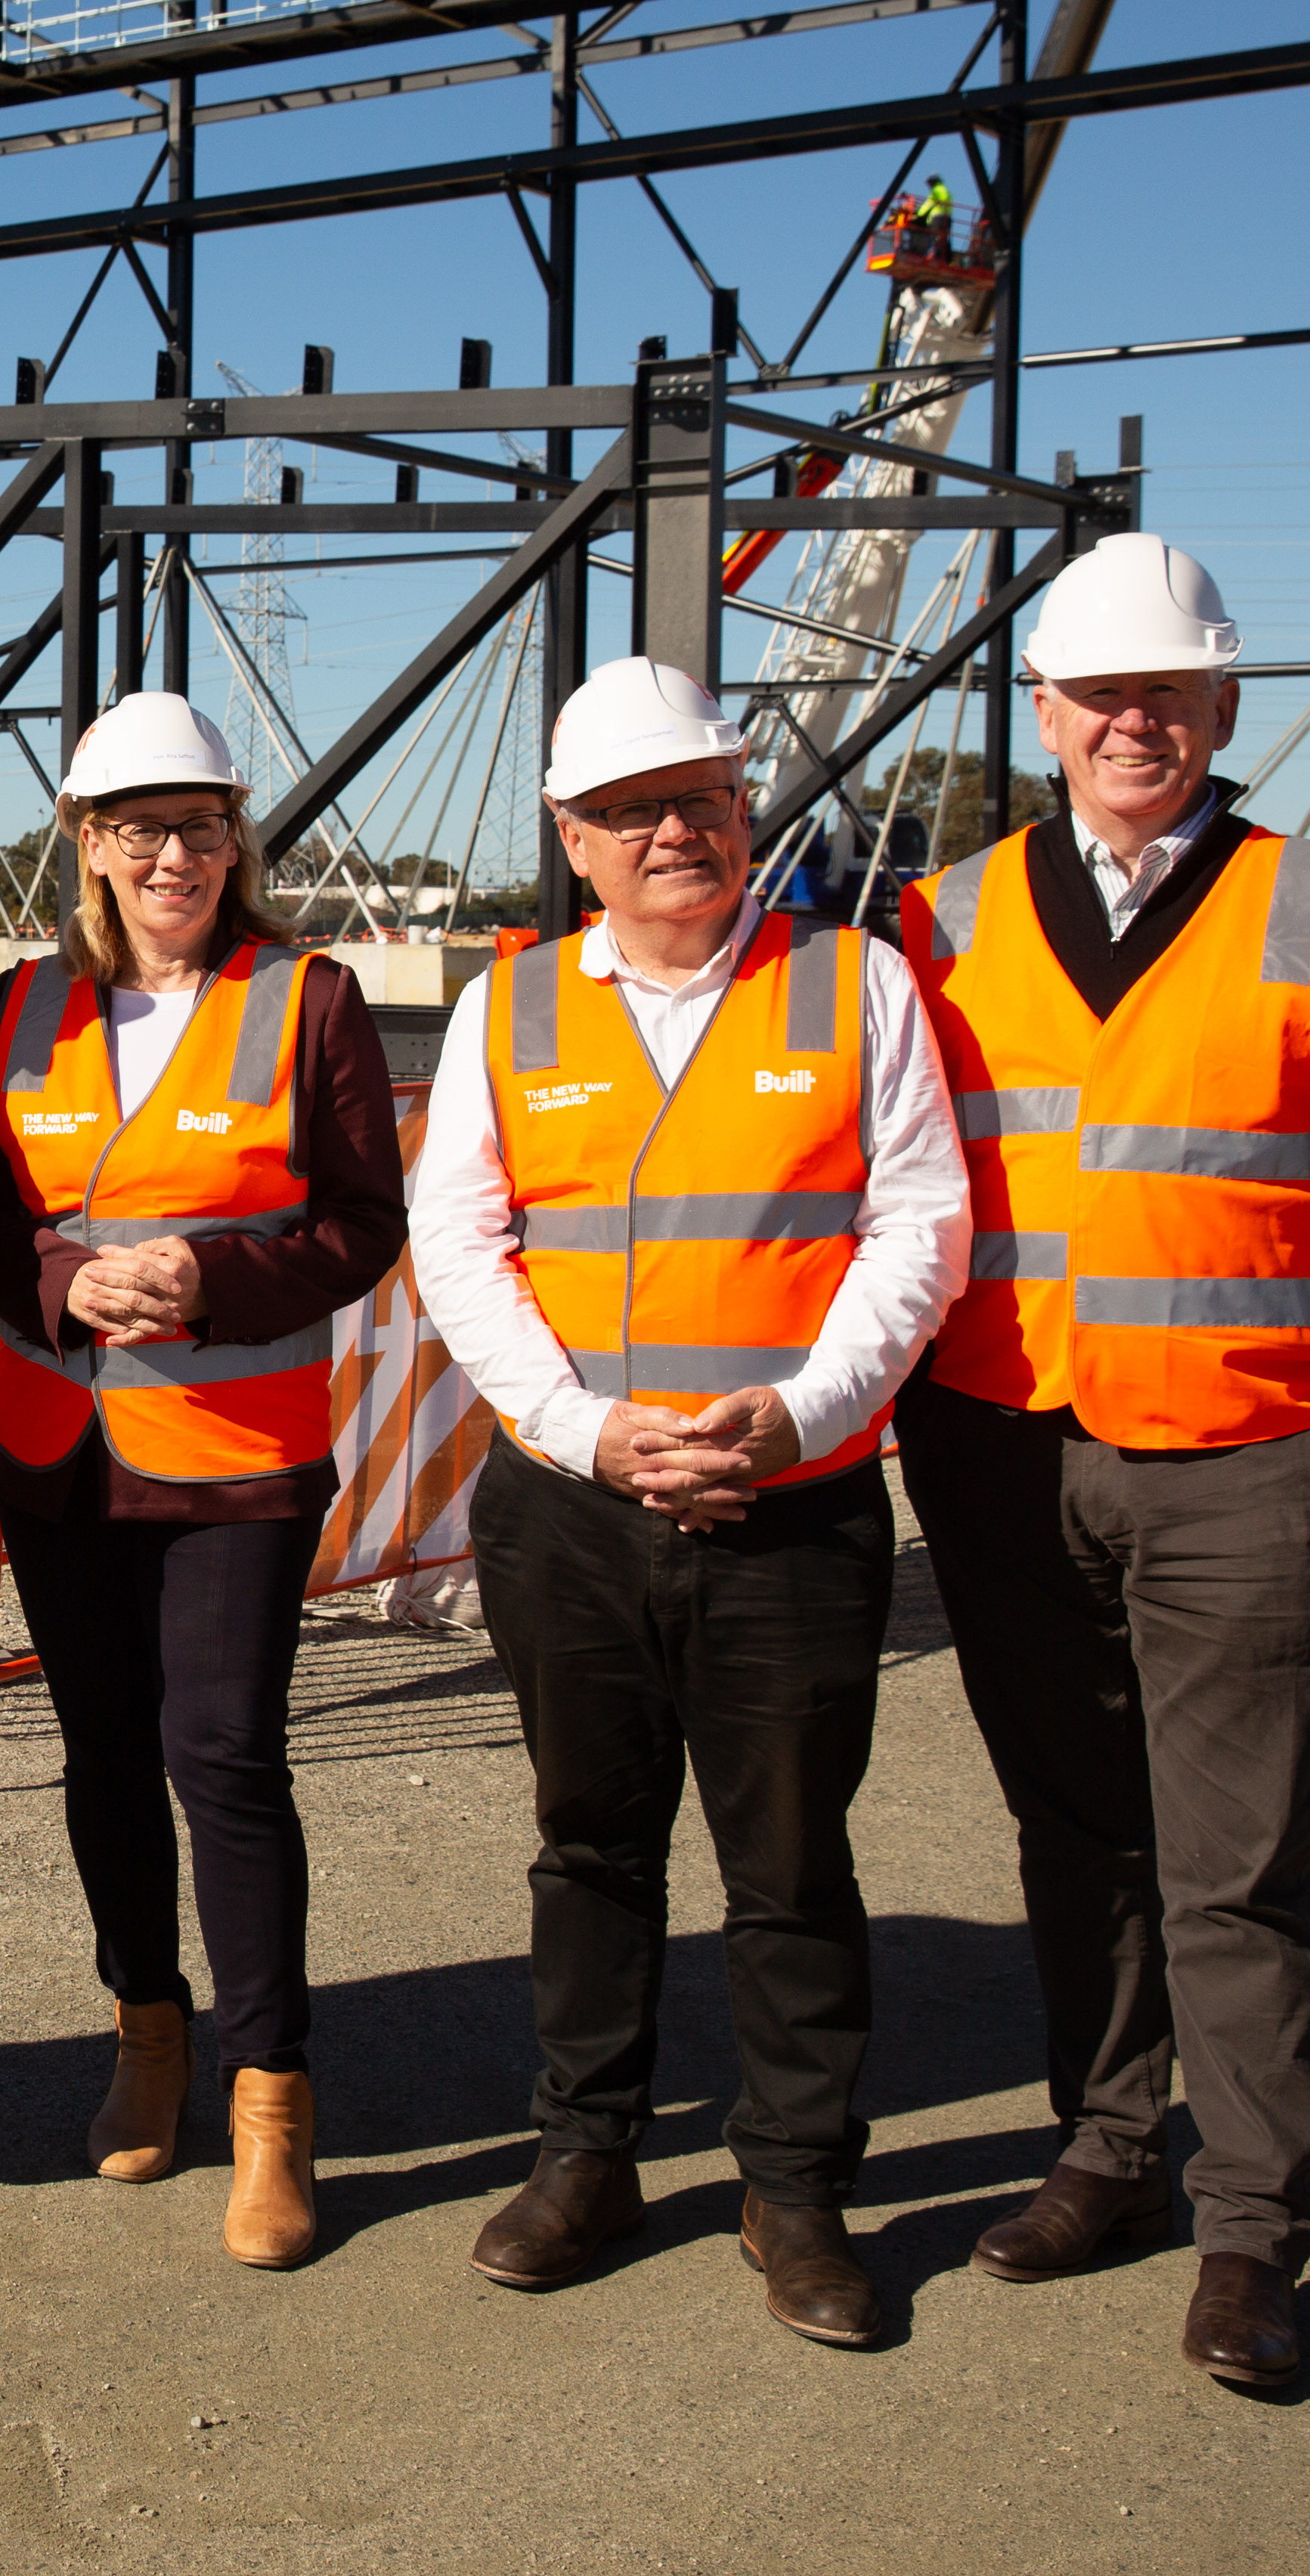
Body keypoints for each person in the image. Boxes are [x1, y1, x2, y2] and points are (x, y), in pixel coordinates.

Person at [895, 533, 1310, 2386]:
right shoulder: (945, 918)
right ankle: (1109, 2146)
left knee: (1234, 1859)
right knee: (1077, 1832)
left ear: (1222, 707)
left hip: (1231, 1455)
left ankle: (1250, 2229)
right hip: (997, 1443)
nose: (1135, 721)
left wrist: (1238, 1300)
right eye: (1101, 694)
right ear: (1045, 713)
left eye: (1172, 692)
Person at [410, 657, 968, 2348]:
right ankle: (588, 2154)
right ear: (573, 839)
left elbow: (919, 1223)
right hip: (572, 1510)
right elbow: (462, 1241)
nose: (678, 830)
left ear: (746, 810)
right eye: (636, 809)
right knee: (589, 1843)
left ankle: (795, 2190)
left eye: (706, 799)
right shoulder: (508, 1010)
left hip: (787, 1503)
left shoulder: (851, 984)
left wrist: (797, 1410)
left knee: (790, 1860)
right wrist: (586, 1433)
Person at [0, 691, 404, 2271]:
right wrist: (63, 1277)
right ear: (85, 843)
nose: (172, 857)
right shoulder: (20, 1011)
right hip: (58, 1450)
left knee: (221, 1757)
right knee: (100, 1760)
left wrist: (204, 1274)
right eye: (138, 829)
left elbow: (361, 1224)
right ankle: (147, 2034)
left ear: (237, 837)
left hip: (232, 1463)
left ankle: (269, 2104)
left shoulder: (309, 1000)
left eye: (199, 827)